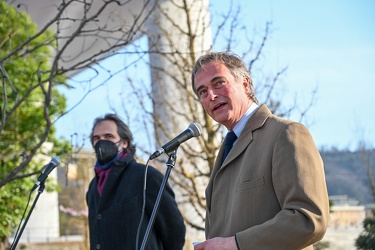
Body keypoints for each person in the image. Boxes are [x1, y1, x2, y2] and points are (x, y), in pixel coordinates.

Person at [191, 51, 329, 249]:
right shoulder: (227, 147)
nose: (211, 95)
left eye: (219, 83)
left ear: (245, 84)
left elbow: (309, 219)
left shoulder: (286, 133)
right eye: (202, 91)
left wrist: (236, 244)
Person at [86, 113, 186, 250]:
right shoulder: (93, 186)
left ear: (125, 142)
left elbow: (174, 230)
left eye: (109, 136)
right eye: (96, 138)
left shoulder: (146, 176)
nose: (102, 142)